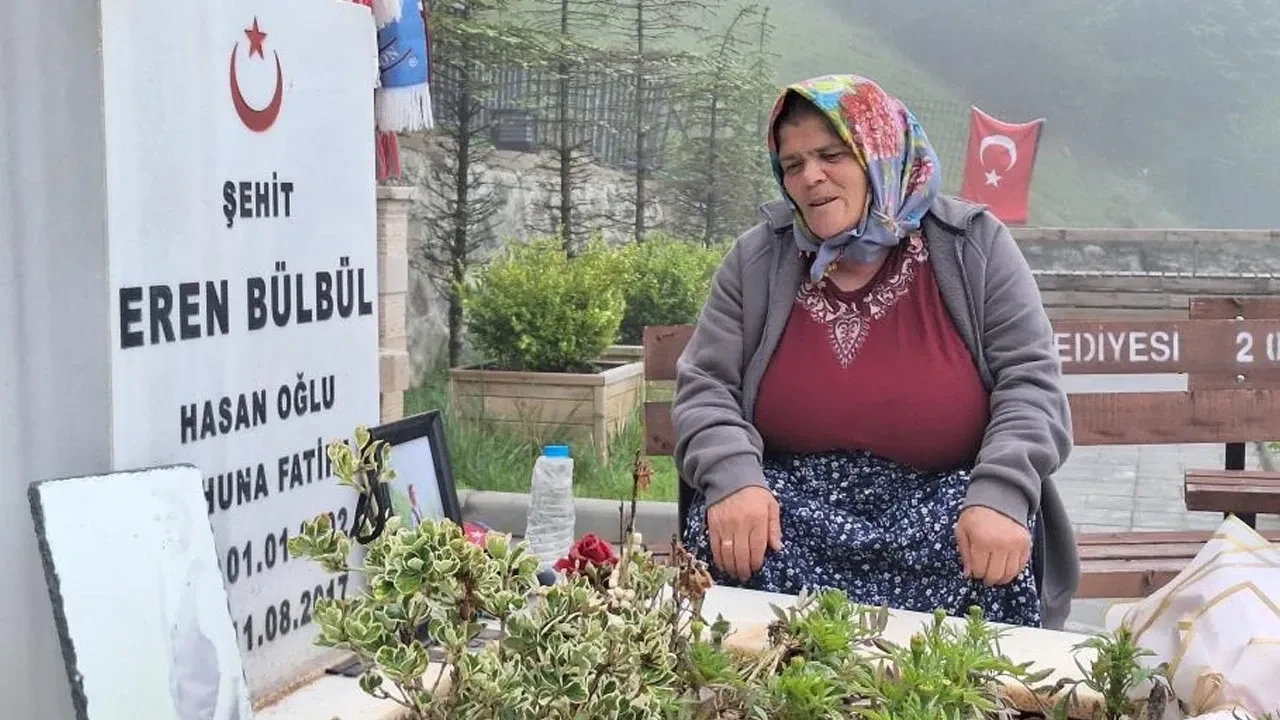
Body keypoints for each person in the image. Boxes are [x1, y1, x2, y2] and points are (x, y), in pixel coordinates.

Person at [669, 74, 1078, 629]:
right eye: (793, 164)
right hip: (792, 510)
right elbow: (706, 387)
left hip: (946, 508)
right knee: (728, 532)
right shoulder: (758, 259)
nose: (810, 176)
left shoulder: (971, 247)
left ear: (879, 153)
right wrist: (734, 476)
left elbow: (1030, 383)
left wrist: (1001, 492)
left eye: (831, 154)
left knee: (991, 552)